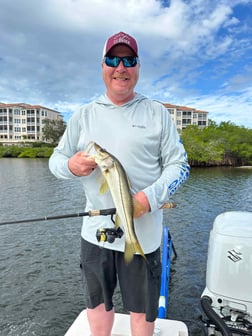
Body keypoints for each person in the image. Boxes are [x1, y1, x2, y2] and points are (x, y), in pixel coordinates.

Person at [49, 31, 190, 336]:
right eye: (113, 59)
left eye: (129, 60)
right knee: (98, 307)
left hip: (146, 235)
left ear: (138, 67)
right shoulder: (83, 115)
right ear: (103, 65)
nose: (121, 67)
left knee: (141, 312)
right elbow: (55, 162)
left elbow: (181, 166)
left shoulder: (157, 113)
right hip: (94, 235)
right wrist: (72, 167)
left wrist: (149, 199)